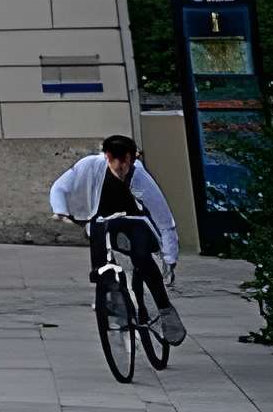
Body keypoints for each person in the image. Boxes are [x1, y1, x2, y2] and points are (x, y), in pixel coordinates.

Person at [49, 134, 185, 345]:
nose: (123, 170)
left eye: (128, 164)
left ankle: (164, 308)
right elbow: (60, 187)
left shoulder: (139, 177)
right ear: (107, 157)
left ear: (133, 158)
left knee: (141, 256)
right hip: (104, 222)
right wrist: (60, 210)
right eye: (119, 165)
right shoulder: (90, 166)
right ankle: (107, 289)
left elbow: (164, 218)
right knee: (97, 233)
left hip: (135, 222)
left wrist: (170, 257)